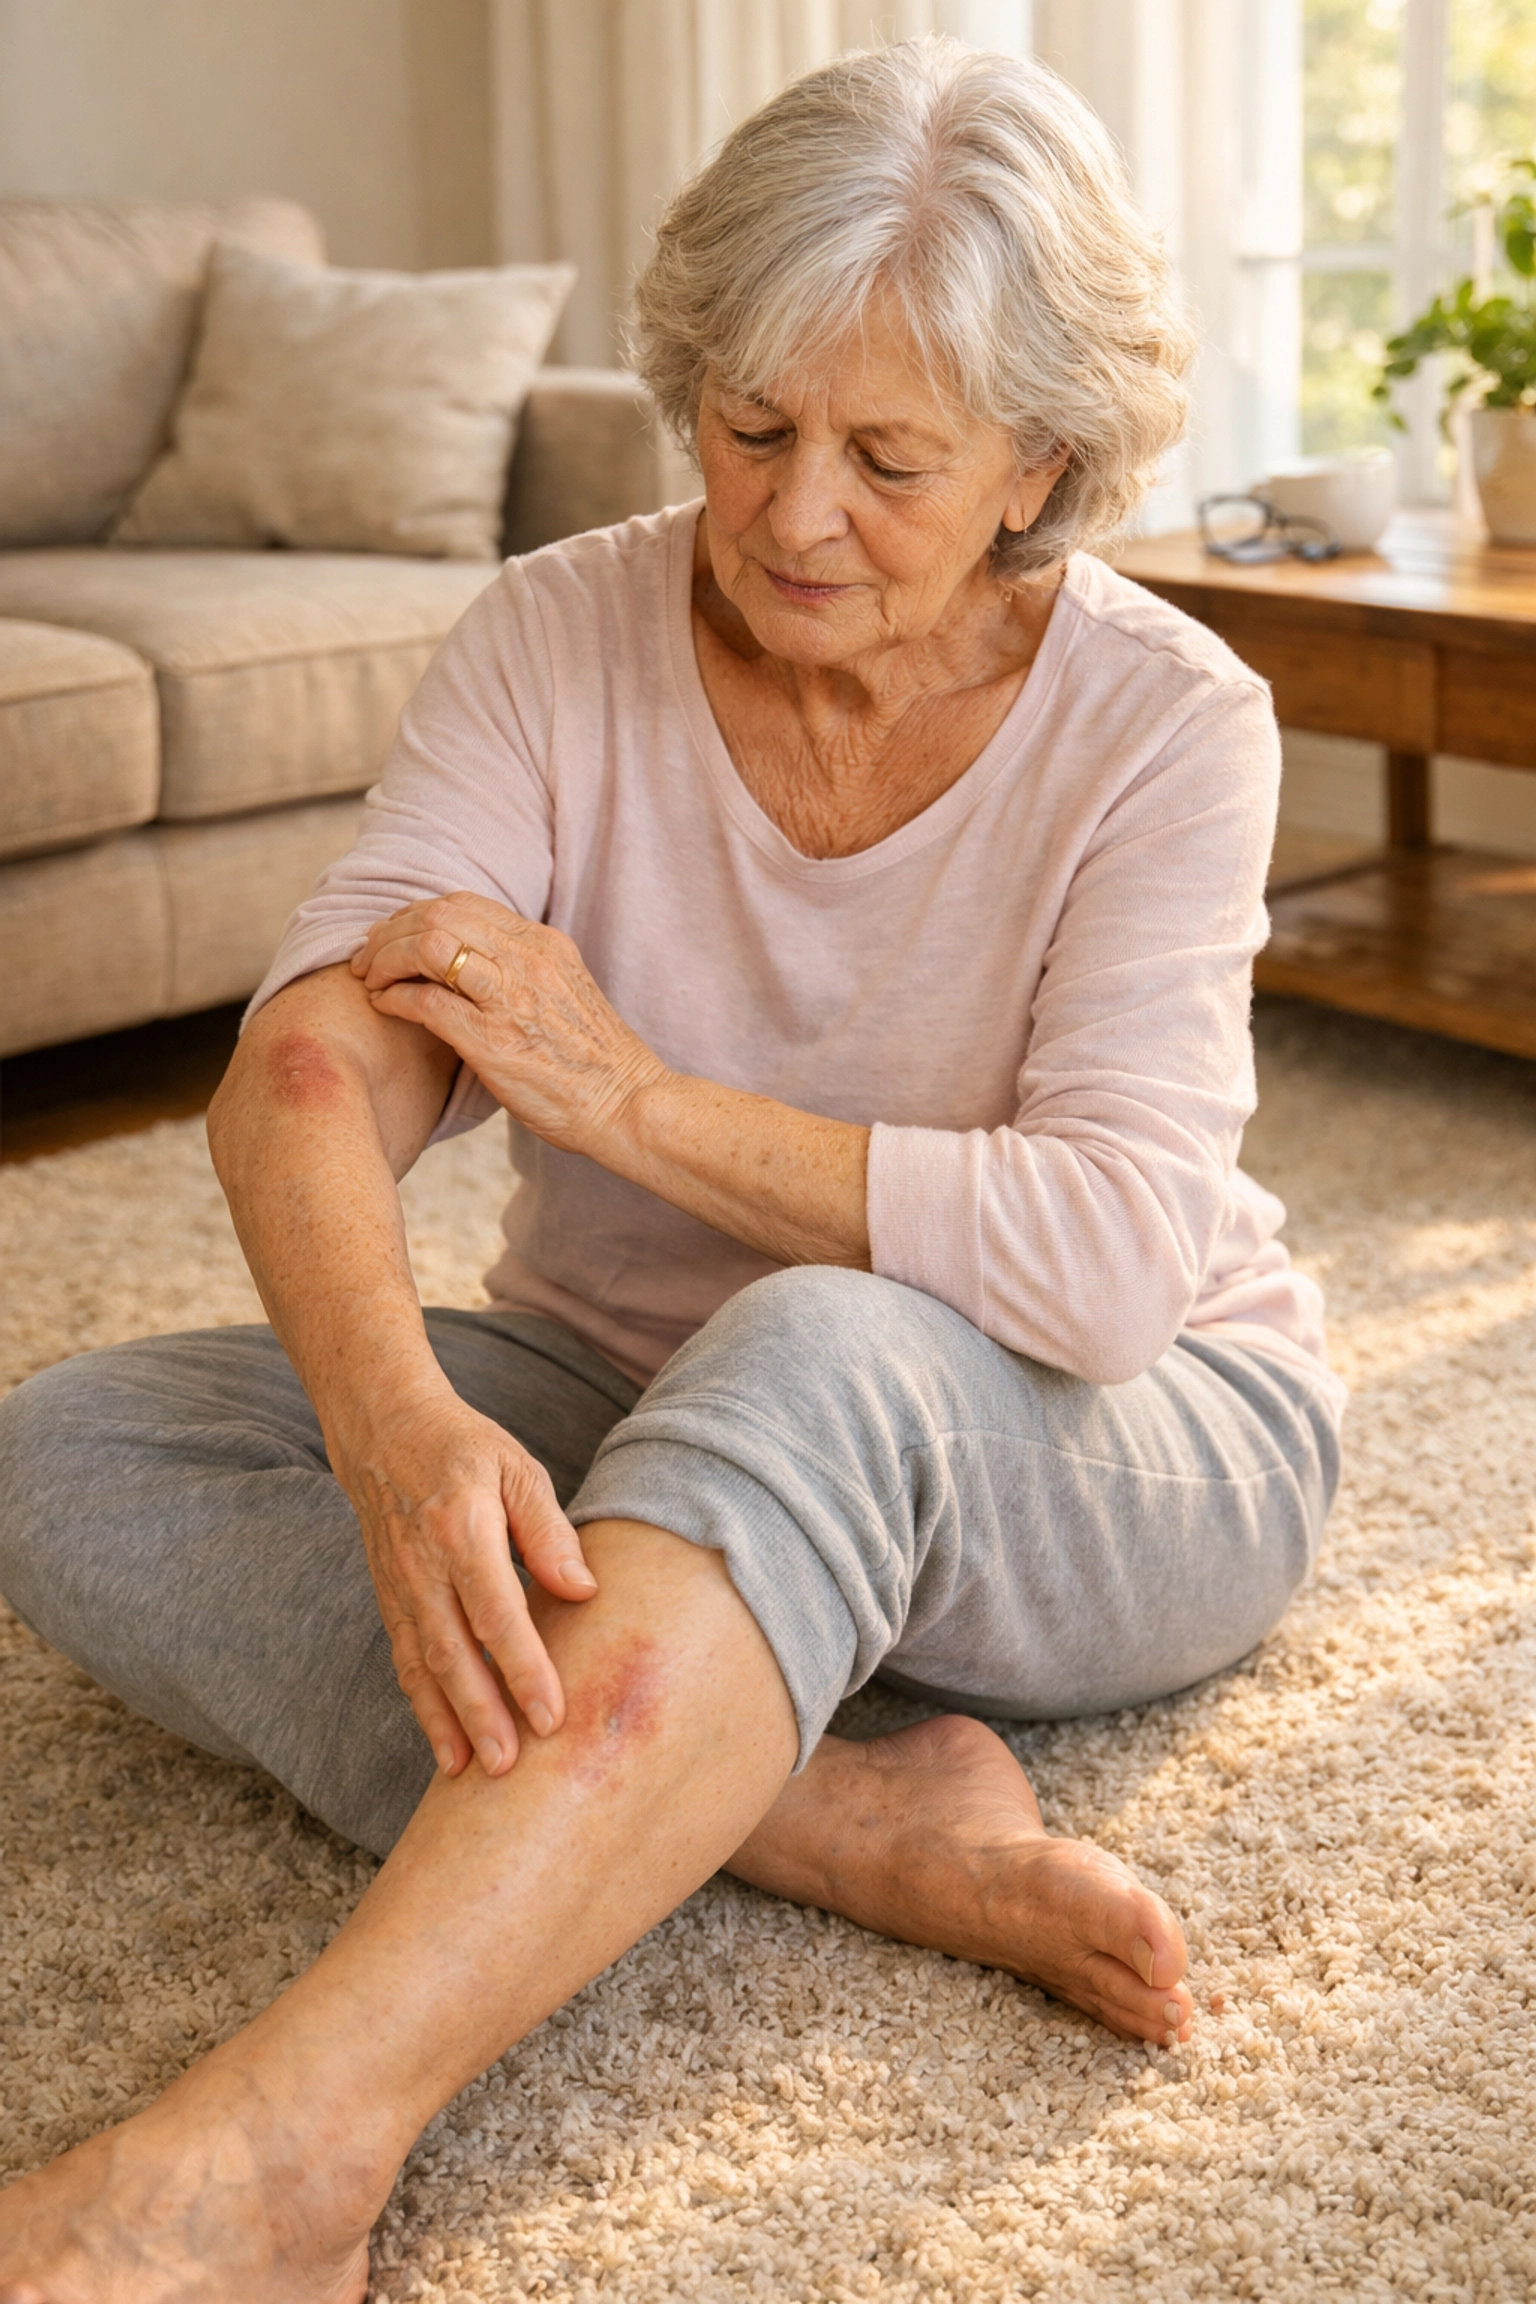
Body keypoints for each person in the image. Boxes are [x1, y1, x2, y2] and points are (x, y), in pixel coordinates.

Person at [0, 36, 1342, 2303]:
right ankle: (825, 1808)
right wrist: (399, 1425)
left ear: (1041, 464)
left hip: (1122, 1441)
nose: (795, 511)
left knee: (817, 1336)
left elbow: (1113, 1269)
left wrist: (620, 1103)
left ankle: (280, 2160)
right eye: (751, 426)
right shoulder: (557, 631)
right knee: (72, 1452)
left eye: (891, 458)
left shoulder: (1170, 717)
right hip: (625, 1398)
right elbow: (312, 1062)